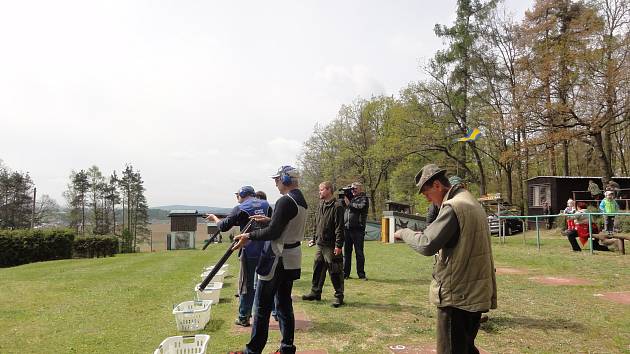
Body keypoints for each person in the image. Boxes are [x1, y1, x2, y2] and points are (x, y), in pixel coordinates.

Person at [394, 164, 497, 353]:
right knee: (465, 347)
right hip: (473, 291)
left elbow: (426, 244)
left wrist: (404, 232)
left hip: (457, 295)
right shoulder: (469, 201)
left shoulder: (454, 207)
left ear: (437, 186)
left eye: (426, 194)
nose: (428, 200)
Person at [231, 165, 307, 354]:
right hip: (292, 256)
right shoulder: (300, 199)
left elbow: (274, 232)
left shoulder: (284, 201)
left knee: (263, 307)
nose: (275, 183)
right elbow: (284, 226)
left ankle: (253, 350)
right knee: (283, 303)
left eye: (277, 179)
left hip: (277, 257)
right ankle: (287, 348)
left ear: (286, 180)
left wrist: (248, 236)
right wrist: (269, 220)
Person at [206, 185, 271, 327]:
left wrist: (214, 218)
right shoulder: (266, 205)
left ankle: (243, 317)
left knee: (246, 285)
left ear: (243, 194)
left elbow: (223, 226)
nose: (237, 198)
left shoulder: (240, 208)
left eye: (238, 195)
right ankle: (266, 315)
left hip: (249, 249)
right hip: (266, 249)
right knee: (264, 283)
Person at [302, 181, 345, 308]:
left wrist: (338, 245)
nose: (319, 192)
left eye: (321, 190)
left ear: (329, 190)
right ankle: (315, 293)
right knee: (318, 268)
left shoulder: (337, 206)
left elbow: (339, 228)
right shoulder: (321, 204)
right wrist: (314, 238)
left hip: (331, 245)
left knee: (335, 270)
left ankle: (339, 296)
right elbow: (317, 223)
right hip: (320, 244)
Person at [343, 181, 369, 280]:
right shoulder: (350, 198)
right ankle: (345, 274)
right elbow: (342, 206)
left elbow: (360, 207)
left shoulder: (364, 199)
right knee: (347, 253)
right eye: (352, 189)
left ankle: (361, 274)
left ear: (360, 189)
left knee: (359, 253)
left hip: (358, 229)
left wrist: (349, 203)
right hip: (347, 229)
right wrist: (344, 195)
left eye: (355, 188)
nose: (353, 190)